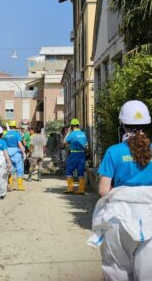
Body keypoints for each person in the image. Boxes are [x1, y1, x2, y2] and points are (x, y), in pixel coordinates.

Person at [89, 100, 152, 280]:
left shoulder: (113, 151)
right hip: (150, 216)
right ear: (147, 125)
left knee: (117, 269)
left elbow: (103, 190)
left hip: (119, 217)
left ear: (122, 125)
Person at [64, 118, 88, 194]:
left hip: (73, 155)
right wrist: (86, 154)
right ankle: (81, 190)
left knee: (69, 171)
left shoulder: (72, 134)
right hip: (82, 154)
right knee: (80, 172)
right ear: (78, 125)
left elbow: (64, 142)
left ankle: (70, 188)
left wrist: (68, 133)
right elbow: (87, 147)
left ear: (72, 126)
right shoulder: (83, 134)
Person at [4, 120, 26, 190]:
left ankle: (11, 185)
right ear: (15, 127)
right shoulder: (17, 134)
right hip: (16, 153)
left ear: (10, 126)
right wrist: (23, 152)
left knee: (11, 169)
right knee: (19, 169)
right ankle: (20, 186)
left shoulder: (6, 134)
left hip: (8, 153)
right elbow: (19, 144)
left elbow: (4, 145)